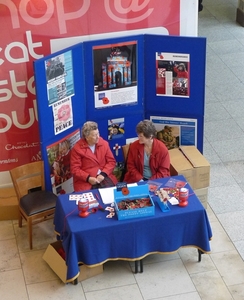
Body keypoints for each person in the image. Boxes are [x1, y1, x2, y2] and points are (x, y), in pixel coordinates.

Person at [70, 121, 118, 191]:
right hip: (86, 181)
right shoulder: (77, 149)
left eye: (98, 133)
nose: (98, 137)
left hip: (104, 176)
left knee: (111, 194)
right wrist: (88, 178)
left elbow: (111, 162)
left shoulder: (104, 144)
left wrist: (103, 174)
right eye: (94, 135)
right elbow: (75, 169)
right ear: (87, 137)